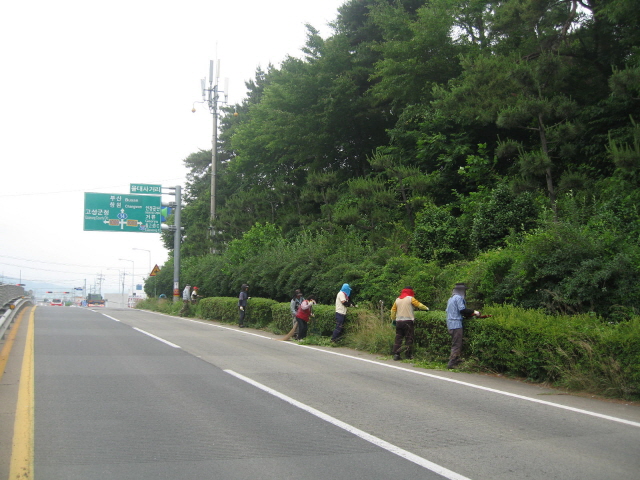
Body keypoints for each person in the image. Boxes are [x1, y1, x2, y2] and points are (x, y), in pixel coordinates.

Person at [390, 287, 429, 361]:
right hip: (408, 321)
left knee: (398, 338)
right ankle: (408, 355)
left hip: (399, 322)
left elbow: (392, 310)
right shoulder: (410, 298)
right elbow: (419, 305)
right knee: (409, 338)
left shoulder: (397, 300)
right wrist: (426, 308)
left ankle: (396, 354)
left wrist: (393, 319)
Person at [445, 283, 479, 369]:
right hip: (456, 324)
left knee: (455, 342)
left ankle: (456, 360)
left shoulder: (451, 299)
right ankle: (452, 363)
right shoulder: (458, 298)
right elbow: (462, 310)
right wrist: (474, 312)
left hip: (450, 324)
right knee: (457, 344)